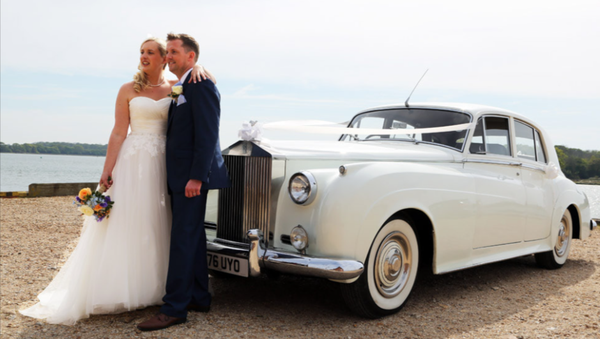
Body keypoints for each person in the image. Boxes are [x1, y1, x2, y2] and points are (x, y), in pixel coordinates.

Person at [19, 37, 215, 325]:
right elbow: (118, 132)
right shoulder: (128, 89)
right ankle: (125, 286)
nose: (144, 56)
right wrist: (107, 169)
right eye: (141, 52)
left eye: (152, 52)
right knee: (130, 218)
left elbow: (198, 105)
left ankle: (165, 289)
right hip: (134, 161)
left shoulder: (179, 86)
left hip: (167, 163)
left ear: (164, 58)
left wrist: (201, 66)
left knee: (164, 222)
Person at [136, 33, 230, 332]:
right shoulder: (183, 84)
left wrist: (196, 176)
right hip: (181, 175)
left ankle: (173, 308)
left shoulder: (199, 83)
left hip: (191, 177)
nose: (169, 57)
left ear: (191, 57)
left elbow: (207, 133)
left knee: (182, 240)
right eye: (169, 52)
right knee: (192, 237)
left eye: (174, 52)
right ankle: (199, 297)